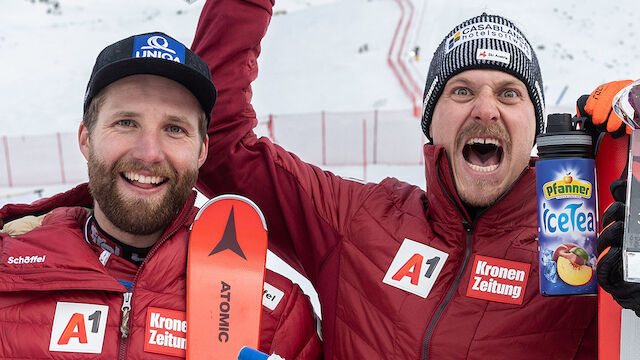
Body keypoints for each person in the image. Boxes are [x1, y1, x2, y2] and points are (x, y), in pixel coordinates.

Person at [193, 1, 596, 358]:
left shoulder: (579, 254)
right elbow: (221, 142)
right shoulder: (361, 220)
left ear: (535, 128)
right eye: (461, 91)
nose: (486, 109)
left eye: (509, 94)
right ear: (431, 123)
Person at [0, 32, 322, 359]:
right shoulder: (7, 270)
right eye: (126, 122)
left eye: (174, 129)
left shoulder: (276, 318)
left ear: (201, 150)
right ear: (86, 138)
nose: (149, 153)